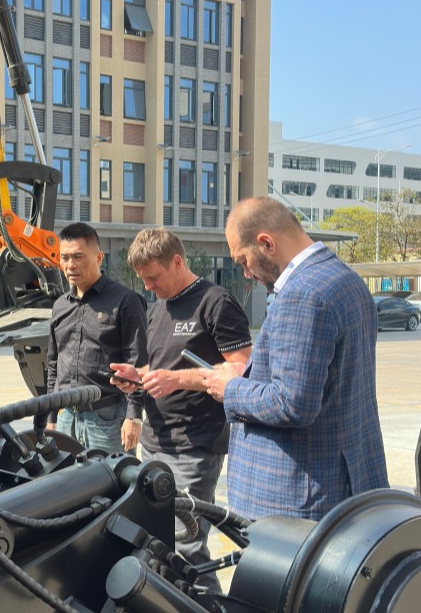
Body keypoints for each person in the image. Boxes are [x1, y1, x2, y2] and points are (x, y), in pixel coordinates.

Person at [201, 196, 388, 521]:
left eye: (243, 260)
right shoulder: (346, 279)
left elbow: (292, 403)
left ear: (266, 243)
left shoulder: (303, 294)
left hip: (295, 502)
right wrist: (252, 375)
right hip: (341, 480)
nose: (246, 273)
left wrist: (230, 387)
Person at [110, 227, 252, 578]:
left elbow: (242, 371)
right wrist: (137, 375)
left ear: (177, 261)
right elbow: (160, 367)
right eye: (143, 279)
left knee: (186, 548)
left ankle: (202, 600)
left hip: (194, 447)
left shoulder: (215, 302)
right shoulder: (158, 309)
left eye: (154, 277)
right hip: (155, 443)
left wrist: (176, 380)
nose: (148, 286)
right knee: (158, 543)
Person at [47, 222, 148, 455]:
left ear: (99, 257)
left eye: (78, 256)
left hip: (108, 420)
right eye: (64, 258)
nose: (70, 265)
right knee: (65, 478)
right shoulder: (60, 306)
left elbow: (138, 362)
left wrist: (134, 416)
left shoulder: (125, 301)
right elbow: (54, 365)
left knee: (111, 477)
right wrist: (50, 417)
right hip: (66, 417)